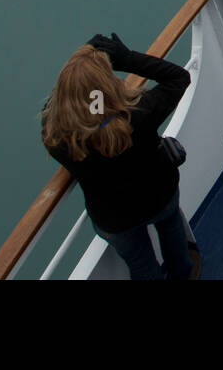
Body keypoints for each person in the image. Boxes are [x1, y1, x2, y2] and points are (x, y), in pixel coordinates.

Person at [42, 33, 195, 280]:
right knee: (172, 228)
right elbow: (178, 77)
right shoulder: (141, 114)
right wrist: (127, 59)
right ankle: (183, 273)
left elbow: (49, 115)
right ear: (109, 84)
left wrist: (73, 83)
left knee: (141, 265)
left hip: (115, 220)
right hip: (160, 196)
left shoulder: (62, 142)